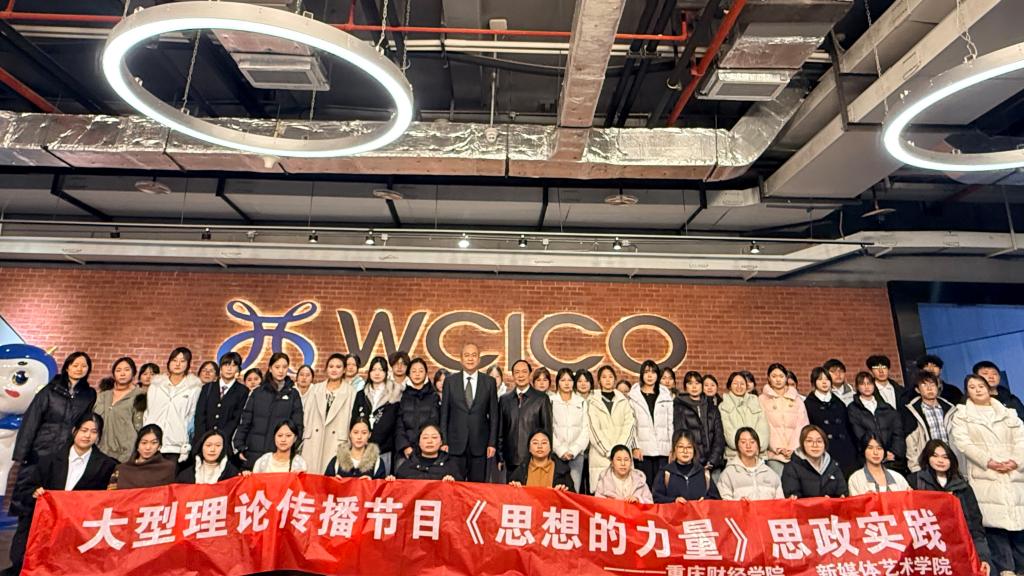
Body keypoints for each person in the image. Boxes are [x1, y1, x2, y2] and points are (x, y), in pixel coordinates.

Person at [6, 413, 116, 576]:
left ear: (99, 436)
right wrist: (35, 492)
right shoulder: (49, 460)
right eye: (84, 430)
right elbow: (26, 489)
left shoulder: (107, 465)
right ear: (74, 431)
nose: (87, 435)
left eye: (93, 432)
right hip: (45, 529)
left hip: (77, 532)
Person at [950, 374, 1024, 576]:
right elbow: (963, 443)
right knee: (995, 528)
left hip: (1013, 474)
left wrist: (1015, 461)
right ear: (967, 392)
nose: (977, 390)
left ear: (989, 388)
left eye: (981, 386)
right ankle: (1006, 570)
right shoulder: (962, 415)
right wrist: (988, 461)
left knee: (1019, 524)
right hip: (985, 474)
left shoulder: (1009, 413)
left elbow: (1021, 440)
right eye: (972, 387)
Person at [11, 351, 97, 521]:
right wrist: (22, 453)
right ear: (67, 367)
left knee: (55, 497)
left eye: (84, 366)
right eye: (75, 365)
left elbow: (85, 424)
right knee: (30, 496)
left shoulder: (89, 394)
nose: (79, 369)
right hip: (40, 448)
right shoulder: (50, 390)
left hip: (66, 452)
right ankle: (24, 530)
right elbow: (32, 420)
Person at [907, 440, 991, 576]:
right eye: (935, 456)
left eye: (945, 457)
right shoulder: (914, 482)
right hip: (926, 550)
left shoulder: (963, 487)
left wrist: (983, 556)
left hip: (958, 549)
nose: (940, 460)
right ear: (927, 457)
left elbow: (975, 526)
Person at [440, 343, 498, 483]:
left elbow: (494, 416)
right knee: (454, 486)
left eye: (474, 355)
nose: (470, 359)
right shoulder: (450, 381)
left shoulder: (489, 382)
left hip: (480, 445)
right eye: (467, 355)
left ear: (479, 359)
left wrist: (492, 443)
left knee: (477, 487)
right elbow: (444, 414)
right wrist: (444, 441)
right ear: (461, 359)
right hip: (454, 445)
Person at [234, 353, 304, 468]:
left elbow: (298, 426)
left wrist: (291, 448)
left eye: (284, 367)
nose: (281, 371)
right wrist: (240, 446)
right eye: (277, 367)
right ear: (270, 368)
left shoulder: (293, 394)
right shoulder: (257, 392)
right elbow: (245, 422)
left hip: (279, 455)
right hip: (253, 452)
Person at [144, 347, 202, 463]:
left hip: (176, 445)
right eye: (174, 360)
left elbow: (191, 417)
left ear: (188, 364)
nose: (177, 364)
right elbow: (148, 412)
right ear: (169, 362)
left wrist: (186, 442)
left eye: (182, 361)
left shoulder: (194, 388)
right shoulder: (156, 385)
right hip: (152, 442)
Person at [497, 360, 553, 479]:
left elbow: (547, 430)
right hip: (511, 460)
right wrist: (500, 457)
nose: (520, 375)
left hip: (535, 460)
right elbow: (500, 430)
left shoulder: (541, 399)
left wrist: (547, 457)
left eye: (524, 372)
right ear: (513, 375)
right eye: (517, 372)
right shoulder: (504, 400)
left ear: (530, 374)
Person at [302, 353, 357, 474]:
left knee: (331, 477)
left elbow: (352, 419)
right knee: (310, 477)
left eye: (338, 367)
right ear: (326, 369)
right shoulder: (315, 389)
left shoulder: (351, 392)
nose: (334, 370)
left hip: (337, 441)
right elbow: (306, 414)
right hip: (313, 440)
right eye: (331, 366)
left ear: (344, 370)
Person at [587, 365, 636, 491]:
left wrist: (620, 452)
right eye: (604, 377)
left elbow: (629, 426)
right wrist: (609, 452)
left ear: (614, 379)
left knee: (624, 494)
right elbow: (593, 430)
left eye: (610, 377)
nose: (607, 380)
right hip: (601, 456)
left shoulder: (623, 400)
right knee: (602, 495)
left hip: (623, 456)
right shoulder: (592, 401)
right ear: (599, 380)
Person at [192, 352, 247, 464]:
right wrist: (205, 438)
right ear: (220, 367)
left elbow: (236, 418)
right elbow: (200, 414)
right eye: (226, 365)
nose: (229, 369)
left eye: (233, 365)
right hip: (203, 440)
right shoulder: (208, 387)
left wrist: (220, 438)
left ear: (238, 369)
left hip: (226, 442)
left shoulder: (242, 391)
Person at [847, 371, 906, 472]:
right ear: (857, 387)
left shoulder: (886, 407)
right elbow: (859, 435)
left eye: (869, 383)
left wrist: (895, 452)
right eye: (862, 384)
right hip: (868, 458)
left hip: (892, 459)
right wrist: (881, 453)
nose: (867, 387)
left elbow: (898, 432)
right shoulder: (853, 409)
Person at [352, 356, 401, 472]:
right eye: (374, 369)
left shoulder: (395, 395)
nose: (377, 373)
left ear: (386, 373)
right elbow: (354, 420)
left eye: (381, 370)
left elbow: (394, 423)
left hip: (384, 449)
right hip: (362, 449)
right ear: (369, 372)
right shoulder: (361, 394)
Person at [804, 367, 857, 475]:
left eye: (827, 379)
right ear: (814, 382)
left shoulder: (839, 403)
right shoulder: (808, 404)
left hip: (846, 451)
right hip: (824, 452)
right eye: (820, 379)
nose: (824, 382)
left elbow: (848, 428)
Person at [629, 361, 673, 488]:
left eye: (653, 372)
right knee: (644, 488)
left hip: (663, 451)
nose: (650, 375)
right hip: (643, 452)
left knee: (662, 488)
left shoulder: (665, 396)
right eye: (646, 372)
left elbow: (670, 424)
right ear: (641, 374)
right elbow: (632, 425)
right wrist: (635, 447)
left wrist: (672, 448)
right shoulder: (634, 397)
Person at [758, 363, 808, 475]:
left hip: (795, 453)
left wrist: (794, 447)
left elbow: (802, 425)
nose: (778, 379)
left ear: (786, 378)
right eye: (774, 376)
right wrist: (778, 448)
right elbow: (763, 426)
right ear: (768, 378)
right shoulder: (762, 400)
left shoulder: (797, 399)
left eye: (781, 376)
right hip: (774, 455)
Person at [673, 369, 725, 474]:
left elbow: (719, 437)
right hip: (691, 464)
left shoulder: (712, 407)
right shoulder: (680, 407)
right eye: (690, 383)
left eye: (697, 383)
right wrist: (693, 461)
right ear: (685, 387)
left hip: (713, 464)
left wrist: (712, 461)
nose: (694, 387)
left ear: (701, 385)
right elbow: (681, 435)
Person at [94, 356, 144, 463]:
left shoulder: (140, 395)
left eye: (126, 370)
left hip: (125, 453)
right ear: (113, 374)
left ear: (133, 373)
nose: (122, 373)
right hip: (99, 450)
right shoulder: (103, 395)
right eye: (118, 370)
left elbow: (140, 427)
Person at [904, 371, 956, 473]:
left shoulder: (950, 409)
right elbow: (911, 443)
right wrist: (916, 468)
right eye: (924, 385)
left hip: (950, 461)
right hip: (926, 463)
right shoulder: (911, 411)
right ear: (917, 390)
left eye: (932, 384)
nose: (929, 388)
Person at [653, 431, 720, 503]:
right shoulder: (665, 473)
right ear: (675, 449)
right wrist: (673, 501)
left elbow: (717, 500)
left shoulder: (704, 473)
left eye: (689, 447)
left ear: (694, 449)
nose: (685, 451)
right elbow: (657, 499)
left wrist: (706, 501)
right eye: (681, 447)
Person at [781, 425, 847, 498]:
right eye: (809, 441)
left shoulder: (833, 467)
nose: (815, 445)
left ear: (825, 444)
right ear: (802, 444)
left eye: (819, 441)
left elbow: (842, 494)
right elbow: (793, 497)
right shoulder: (791, 468)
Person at [717, 428, 784, 501]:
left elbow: (780, 504)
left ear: (758, 445)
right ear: (737, 446)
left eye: (752, 442)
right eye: (743, 442)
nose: (748, 446)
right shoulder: (728, 474)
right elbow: (724, 504)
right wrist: (738, 504)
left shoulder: (771, 474)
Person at [551, 367, 588, 492]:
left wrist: (573, 451)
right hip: (556, 455)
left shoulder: (581, 402)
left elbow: (585, 429)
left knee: (574, 491)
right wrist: (560, 450)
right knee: (557, 491)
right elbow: (549, 429)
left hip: (576, 455)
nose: (566, 383)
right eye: (563, 380)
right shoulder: (551, 401)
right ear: (558, 382)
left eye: (570, 380)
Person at [719, 372, 770, 462]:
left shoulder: (757, 403)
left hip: (758, 456)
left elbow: (764, 429)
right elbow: (729, 435)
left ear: (747, 386)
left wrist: (755, 448)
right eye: (735, 383)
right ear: (729, 386)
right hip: (734, 457)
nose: (739, 386)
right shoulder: (723, 406)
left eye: (742, 383)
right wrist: (746, 448)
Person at [395, 358, 440, 460]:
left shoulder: (433, 396)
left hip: (428, 449)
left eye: (421, 371)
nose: (417, 374)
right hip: (405, 451)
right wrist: (405, 446)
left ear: (426, 373)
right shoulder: (403, 396)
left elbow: (435, 422)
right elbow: (399, 425)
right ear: (409, 374)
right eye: (414, 371)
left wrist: (425, 445)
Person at [113, 424, 178, 489]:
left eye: (154, 443)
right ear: (137, 445)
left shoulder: (168, 468)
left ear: (159, 446)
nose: (148, 447)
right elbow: (111, 493)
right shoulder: (121, 469)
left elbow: (171, 493)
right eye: (144, 443)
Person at [389, 424, 462, 481]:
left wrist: (452, 483)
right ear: (419, 442)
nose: (429, 441)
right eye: (425, 438)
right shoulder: (408, 465)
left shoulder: (450, 466)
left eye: (434, 437)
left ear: (441, 442)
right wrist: (391, 481)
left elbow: (460, 489)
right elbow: (398, 488)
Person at [508, 430, 573, 491]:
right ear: (529, 448)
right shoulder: (520, 471)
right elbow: (508, 495)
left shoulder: (562, 471)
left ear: (550, 448)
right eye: (535, 443)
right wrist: (514, 489)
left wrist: (564, 492)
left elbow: (573, 496)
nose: (540, 446)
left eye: (544, 443)